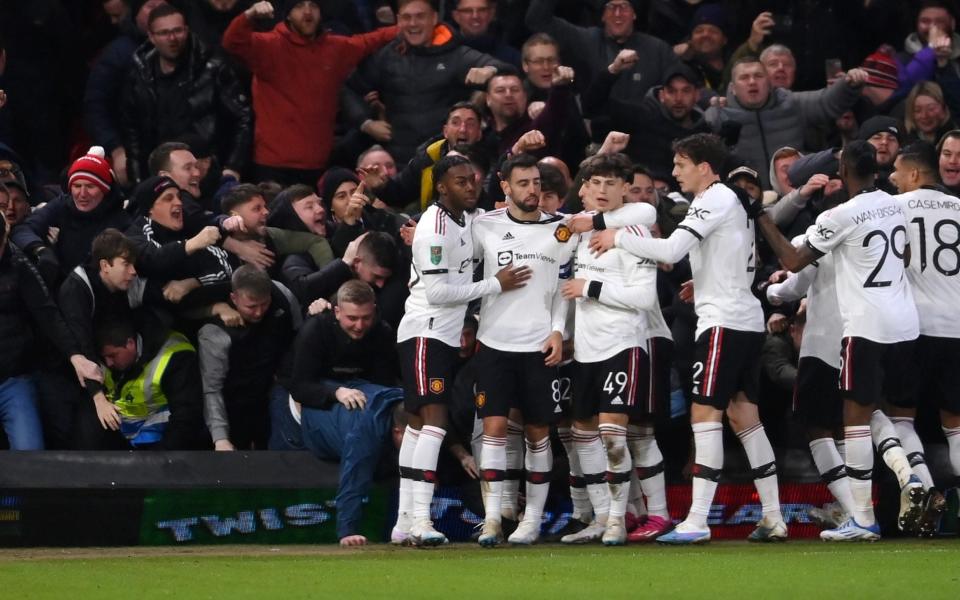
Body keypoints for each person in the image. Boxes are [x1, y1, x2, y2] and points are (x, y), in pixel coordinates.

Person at [590, 133, 786, 544]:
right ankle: (773, 516)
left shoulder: (713, 197)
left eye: (680, 164)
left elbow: (670, 250)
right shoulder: (732, 200)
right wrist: (706, 278)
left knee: (704, 415)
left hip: (723, 323)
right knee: (743, 417)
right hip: (745, 318)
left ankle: (697, 520)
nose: (674, 172)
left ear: (704, 167)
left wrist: (618, 237)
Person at [754, 140, 923, 541]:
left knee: (855, 423)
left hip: (866, 324)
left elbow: (794, 263)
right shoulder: (897, 204)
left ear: (843, 171)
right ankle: (914, 480)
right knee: (891, 416)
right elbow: (906, 256)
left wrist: (763, 219)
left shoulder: (841, 215)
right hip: (906, 324)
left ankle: (862, 519)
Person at [392, 154, 529, 545]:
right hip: (425, 331)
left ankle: (404, 524)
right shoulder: (434, 229)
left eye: (472, 180)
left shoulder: (467, 218)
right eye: (460, 182)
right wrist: (495, 285)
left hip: (444, 337)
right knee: (434, 423)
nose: (470, 187)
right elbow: (435, 293)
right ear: (441, 187)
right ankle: (420, 521)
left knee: (420, 428)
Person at [557, 153, 666, 545]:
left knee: (613, 436)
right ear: (584, 188)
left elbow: (643, 296)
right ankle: (604, 516)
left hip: (623, 345)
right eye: (595, 183)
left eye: (611, 184)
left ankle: (619, 520)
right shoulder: (580, 234)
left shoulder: (633, 233)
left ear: (624, 189)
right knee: (581, 433)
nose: (603, 191)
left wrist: (591, 288)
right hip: (585, 350)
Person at [470, 153, 575, 545]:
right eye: (524, 183)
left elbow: (562, 286)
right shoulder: (484, 226)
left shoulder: (562, 229)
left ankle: (531, 520)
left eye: (536, 183)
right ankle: (494, 518)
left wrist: (557, 331)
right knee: (495, 429)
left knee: (537, 433)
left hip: (538, 345)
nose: (533, 190)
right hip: (494, 342)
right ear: (505, 187)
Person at [275, 280, 404, 546]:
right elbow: (299, 386)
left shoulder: (381, 332)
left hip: (365, 396)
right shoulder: (315, 331)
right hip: (307, 400)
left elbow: (383, 383)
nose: (359, 325)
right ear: (336, 312)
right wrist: (336, 392)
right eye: (352, 318)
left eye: (366, 318)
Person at [222, 0, 398, 184]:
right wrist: (249, 15)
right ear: (288, 14)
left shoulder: (336, 48)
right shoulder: (269, 46)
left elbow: (370, 41)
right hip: (273, 167)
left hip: (317, 166)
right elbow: (232, 42)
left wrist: (405, 27)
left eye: (313, 5)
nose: (307, 12)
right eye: (299, 6)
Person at [888, 141, 959, 534]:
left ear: (915, 174)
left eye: (898, 171)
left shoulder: (894, 209)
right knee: (956, 424)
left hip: (912, 326)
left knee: (900, 415)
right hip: (957, 326)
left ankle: (926, 490)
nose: (894, 178)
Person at [344, 0, 508, 164]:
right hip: (399, 161)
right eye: (407, 17)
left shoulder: (455, 54)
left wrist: (490, 71)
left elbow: (505, 69)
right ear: (399, 21)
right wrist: (366, 123)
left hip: (447, 161)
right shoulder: (386, 56)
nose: (413, 23)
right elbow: (349, 88)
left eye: (420, 16)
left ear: (434, 18)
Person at [0, 212, 103, 450]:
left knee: (30, 453)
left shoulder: (18, 264)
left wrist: (75, 356)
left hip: (12, 379)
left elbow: (47, 313)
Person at [120, 2, 251, 184]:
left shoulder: (213, 67)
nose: (172, 38)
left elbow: (243, 118)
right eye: (164, 33)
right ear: (151, 36)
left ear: (187, 30)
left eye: (178, 31)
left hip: (206, 172)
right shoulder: (140, 72)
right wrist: (138, 182)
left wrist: (233, 167)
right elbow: (133, 133)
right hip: (159, 173)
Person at [706, 58, 866, 189]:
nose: (752, 82)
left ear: (769, 84)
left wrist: (848, 85)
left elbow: (826, 102)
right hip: (746, 201)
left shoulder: (790, 103)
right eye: (744, 77)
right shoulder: (719, 116)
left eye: (758, 76)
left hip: (799, 194)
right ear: (733, 89)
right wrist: (711, 112)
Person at [198, 265, 300, 451]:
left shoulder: (283, 295)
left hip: (273, 394)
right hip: (233, 402)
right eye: (251, 306)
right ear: (234, 298)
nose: (259, 312)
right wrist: (220, 438)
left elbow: (297, 338)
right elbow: (212, 389)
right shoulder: (214, 333)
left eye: (264, 304)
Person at [582, 52, 710, 185]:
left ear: (697, 95)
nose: (678, 99)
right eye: (671, 91)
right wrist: (614, 70)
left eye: (685, 91)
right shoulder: (640, 116)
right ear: (661, 95)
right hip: (634, 195)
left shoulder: (704, 134)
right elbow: (592, 106)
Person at [525, 0, 678, 109]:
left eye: (624, 7)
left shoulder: (658, 49)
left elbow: (680, 85)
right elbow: (537, 20)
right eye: (611, 7)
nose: (617, 14)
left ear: (634, 14)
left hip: (645, 135)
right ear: (603, 15)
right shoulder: (584, 40)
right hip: (596, 137)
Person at [11, 147, 131, 284]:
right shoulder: (63, 203)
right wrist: (40, 249)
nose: (82, 194)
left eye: (90, 186)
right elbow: (23, 230)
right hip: (61, 282)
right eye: (77, 186)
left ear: (104, 190)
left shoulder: (120, 220)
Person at [92, 317, 208, 450]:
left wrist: (160, 461)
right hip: (122, 437)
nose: (108, 363)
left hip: (162, 438)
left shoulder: (176, 356)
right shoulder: (106, 360)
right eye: (105, 357)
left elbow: (186, 415)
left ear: (130, 344)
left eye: (113, 356)